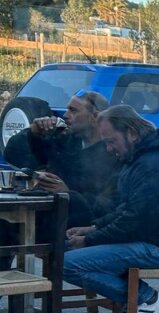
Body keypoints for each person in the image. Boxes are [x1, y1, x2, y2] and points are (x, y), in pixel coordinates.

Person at [62, 105, 159, 313]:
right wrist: (93, 228)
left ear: (132, 133)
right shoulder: (143, 159)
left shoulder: (156, 164)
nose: (108, 149)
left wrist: (90, 240)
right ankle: (137, 300)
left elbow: (136, 222)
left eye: (111, 141)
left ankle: (146, 298)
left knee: (66, 264)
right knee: (70, 252)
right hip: (156, 240)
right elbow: (128, 209)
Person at [0, 91, 117, 266]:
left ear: (95, 117)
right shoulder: (65, 141)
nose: (65, 115)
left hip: (75, 227)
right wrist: (32, 133)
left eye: (73, 110)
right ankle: (11, 289)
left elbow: (109, 206)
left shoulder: (113, 154)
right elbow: (13, 155)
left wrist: (67, 193)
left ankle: (22, 290)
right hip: (45, 216)